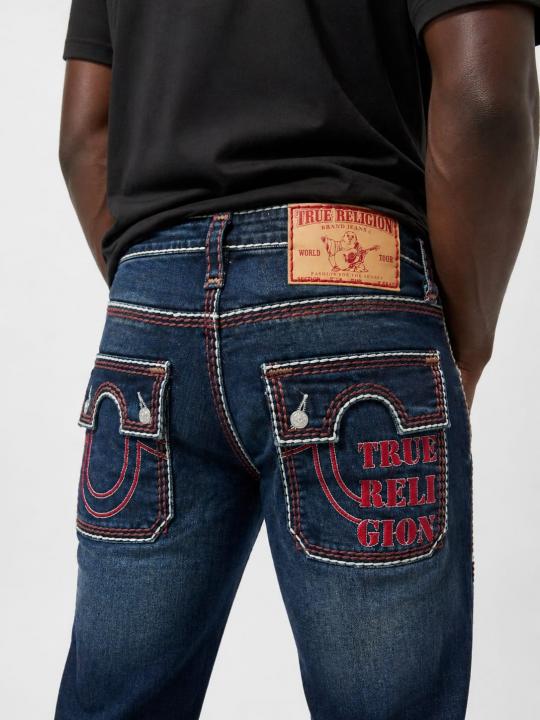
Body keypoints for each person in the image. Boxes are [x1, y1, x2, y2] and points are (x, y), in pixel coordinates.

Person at [54, 2, 540, 718]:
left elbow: (82, 135)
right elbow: (484, 97)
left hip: (149, 327)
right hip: (352, 293)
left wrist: (162, 294)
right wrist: (468, 340)